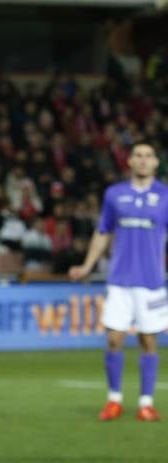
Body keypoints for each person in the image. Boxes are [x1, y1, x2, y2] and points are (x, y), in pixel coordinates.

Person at [69, 141, 168, 422]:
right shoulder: (114, 195)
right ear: (129, 162)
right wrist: (87, 265)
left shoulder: (165, 196)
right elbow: (103, 232)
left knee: (149, 341)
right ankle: (114, 400)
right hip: (120, 280)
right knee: (114, 339)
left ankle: (146, 403)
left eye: (149, 156)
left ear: (156, 162)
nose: (143, 160)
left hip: (151, 281)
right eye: (138, 155)